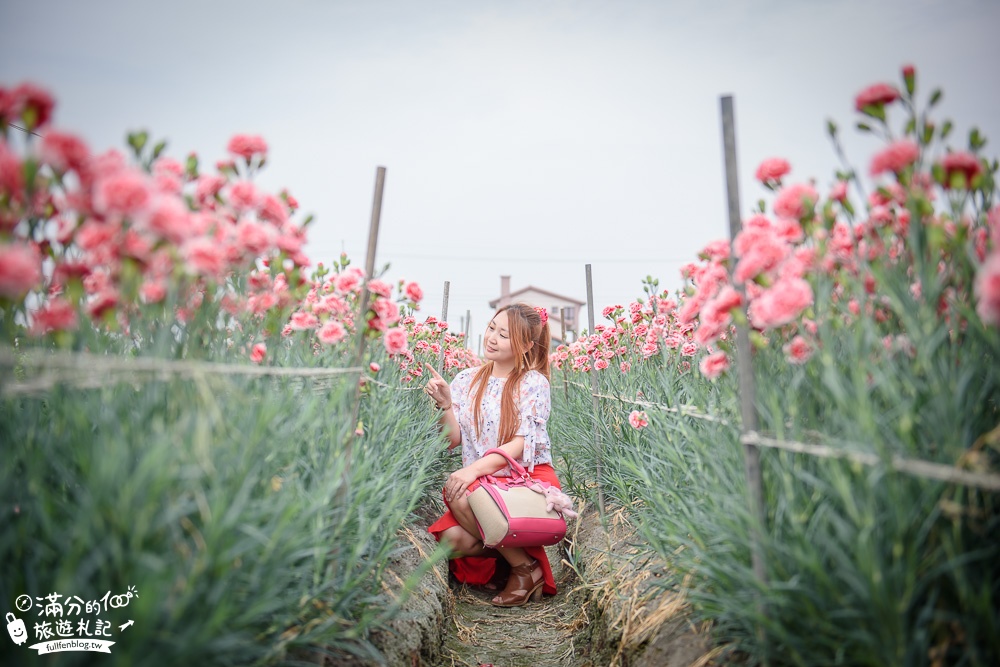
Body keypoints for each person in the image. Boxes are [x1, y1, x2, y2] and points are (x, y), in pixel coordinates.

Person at [424, 302, 561, 607]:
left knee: (462, 491)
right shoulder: (466, 379)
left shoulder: (533, 383)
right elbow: (453, 440)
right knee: (452, 540)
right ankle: (517, 561)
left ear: (526, 345)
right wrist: (445, 406)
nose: (492, 338)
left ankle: (524, 570)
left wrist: (472, 471)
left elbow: (521, 444)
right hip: (485, 484)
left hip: (524, 477)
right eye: (492, 328)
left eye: (505, 334)